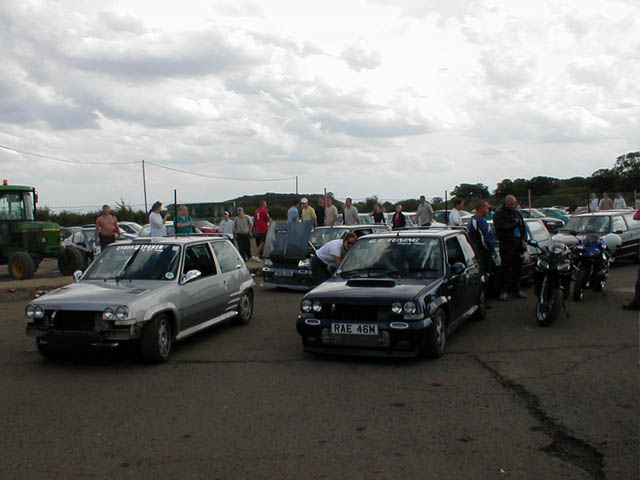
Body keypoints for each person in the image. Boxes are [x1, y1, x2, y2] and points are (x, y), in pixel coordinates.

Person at [493, 195, 528, 301]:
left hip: (518, 244)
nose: (513, 206)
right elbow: (502, 227)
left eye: (514, 204)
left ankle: (516, 289)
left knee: (518, 268)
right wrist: (514, 223)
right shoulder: (499, 214)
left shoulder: (517, 213)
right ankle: (504, 290)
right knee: (505, 268)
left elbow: (523, 227)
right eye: (511, 204)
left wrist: (524, 239)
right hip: (506, 244)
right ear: (506, 203)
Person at [468, 201, 495, 273]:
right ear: (482, 209)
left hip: (475, 252)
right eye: (487, 208)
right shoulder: (481, 221)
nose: (488, 211)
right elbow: (485, 240)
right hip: (484, 254)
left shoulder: (471, 220)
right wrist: (492, 251)